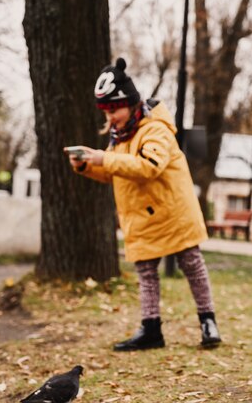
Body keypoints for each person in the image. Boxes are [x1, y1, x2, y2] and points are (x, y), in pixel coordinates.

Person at [65, 57, 221, 351]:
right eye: (106, 111)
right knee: (147, 274)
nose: (111, 117)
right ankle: (151, 329)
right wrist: (88, 165)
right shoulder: (119, 137)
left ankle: (207, 321)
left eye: (115, 109)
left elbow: (149, 166)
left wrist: (104, 158)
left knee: (192, 266)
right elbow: (117, 171)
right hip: (142, 217)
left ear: (131, 102)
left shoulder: (154, 129)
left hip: (173, 213)